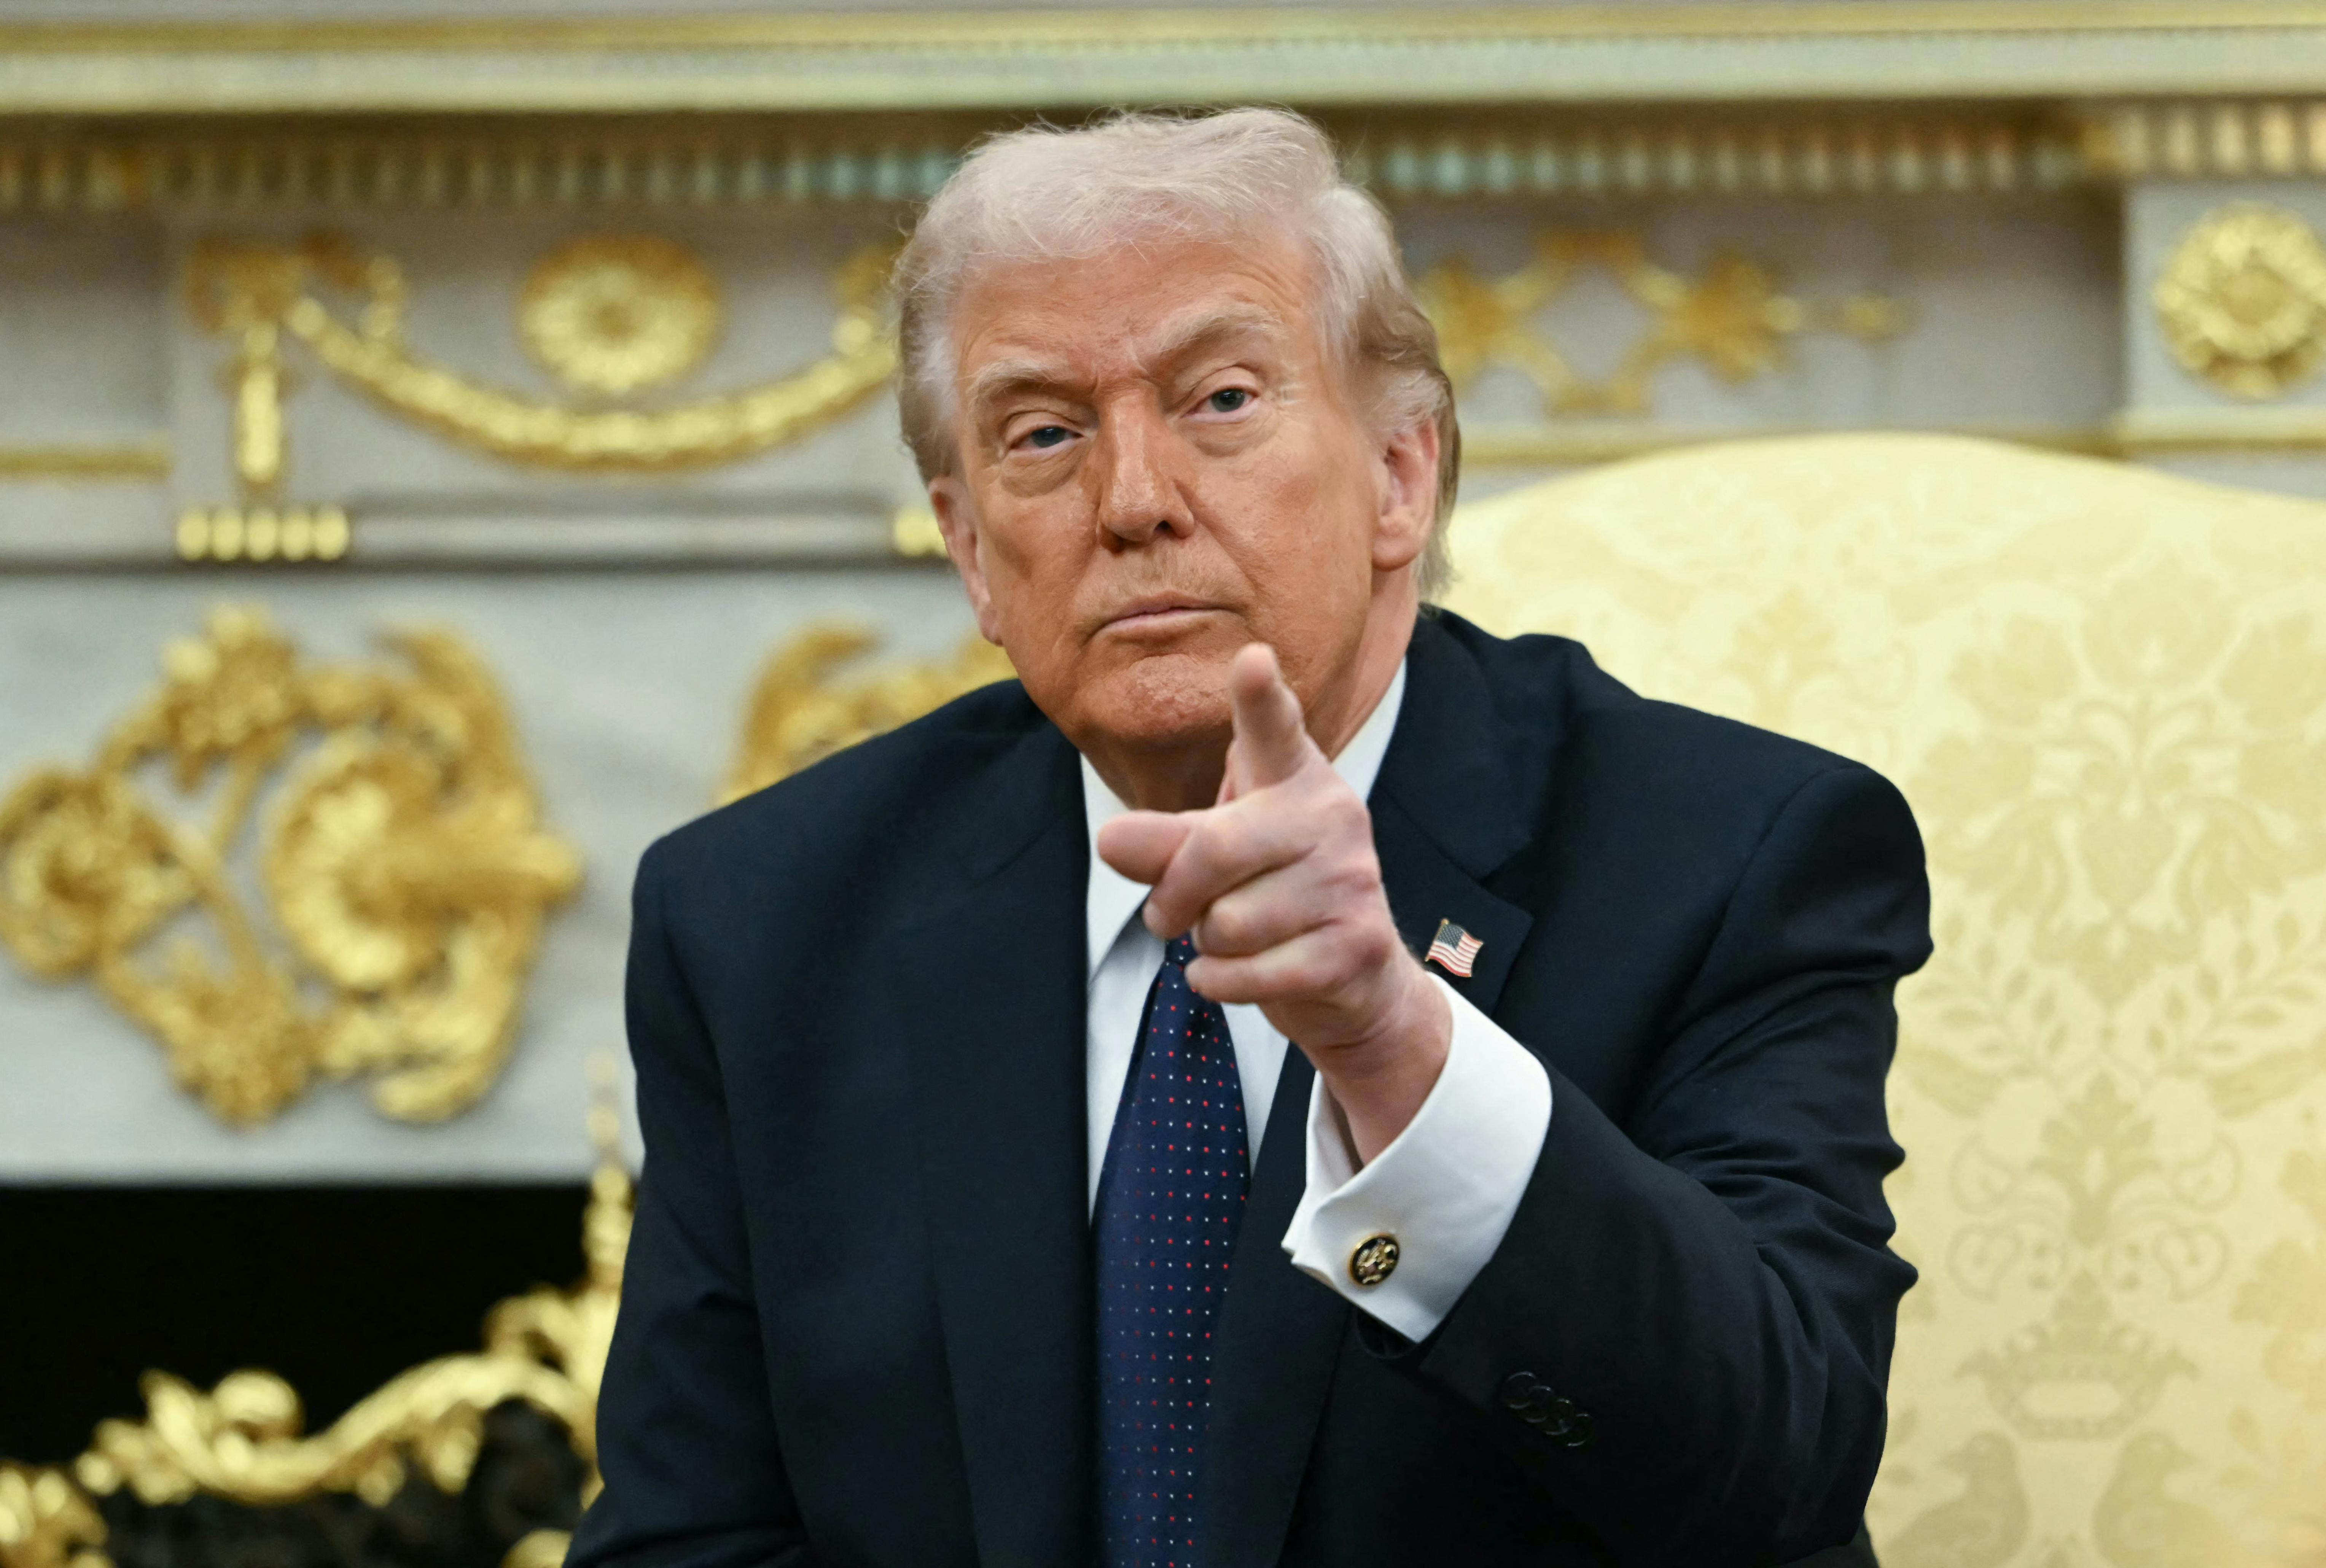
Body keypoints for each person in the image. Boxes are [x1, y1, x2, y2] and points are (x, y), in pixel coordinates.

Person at [570, 108, 1930, 1568]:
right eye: (1045, 434)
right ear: (971, 547)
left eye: (1220, 400)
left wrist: (1394, 1042)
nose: (1134, 501)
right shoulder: (765, 920)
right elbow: (686, 1540)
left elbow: (1774, 1479)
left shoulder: (1735, 856)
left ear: (1401, 475)